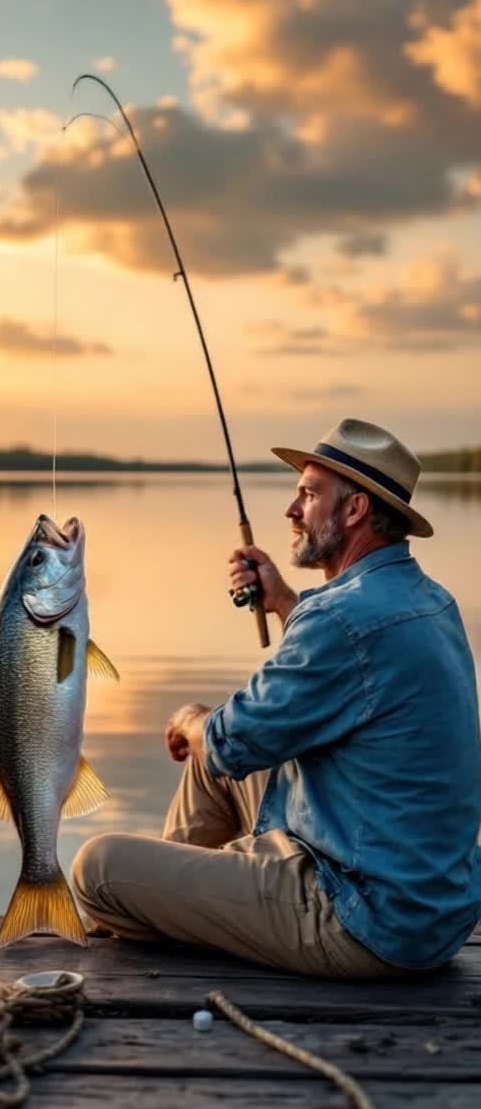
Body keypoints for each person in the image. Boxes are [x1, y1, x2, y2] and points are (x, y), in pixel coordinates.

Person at [72, 418, 481, 977]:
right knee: (211, 771)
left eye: (309, 495)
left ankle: (165, 909)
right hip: (431, 912)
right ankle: (179, 900)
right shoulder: (429, 600)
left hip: (365, 918)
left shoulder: (339, 618)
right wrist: (286, 602)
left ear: (355, 509)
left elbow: (228, 743)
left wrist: (189, 719)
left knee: (98, 868)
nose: (292, 510)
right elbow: (356, 667)